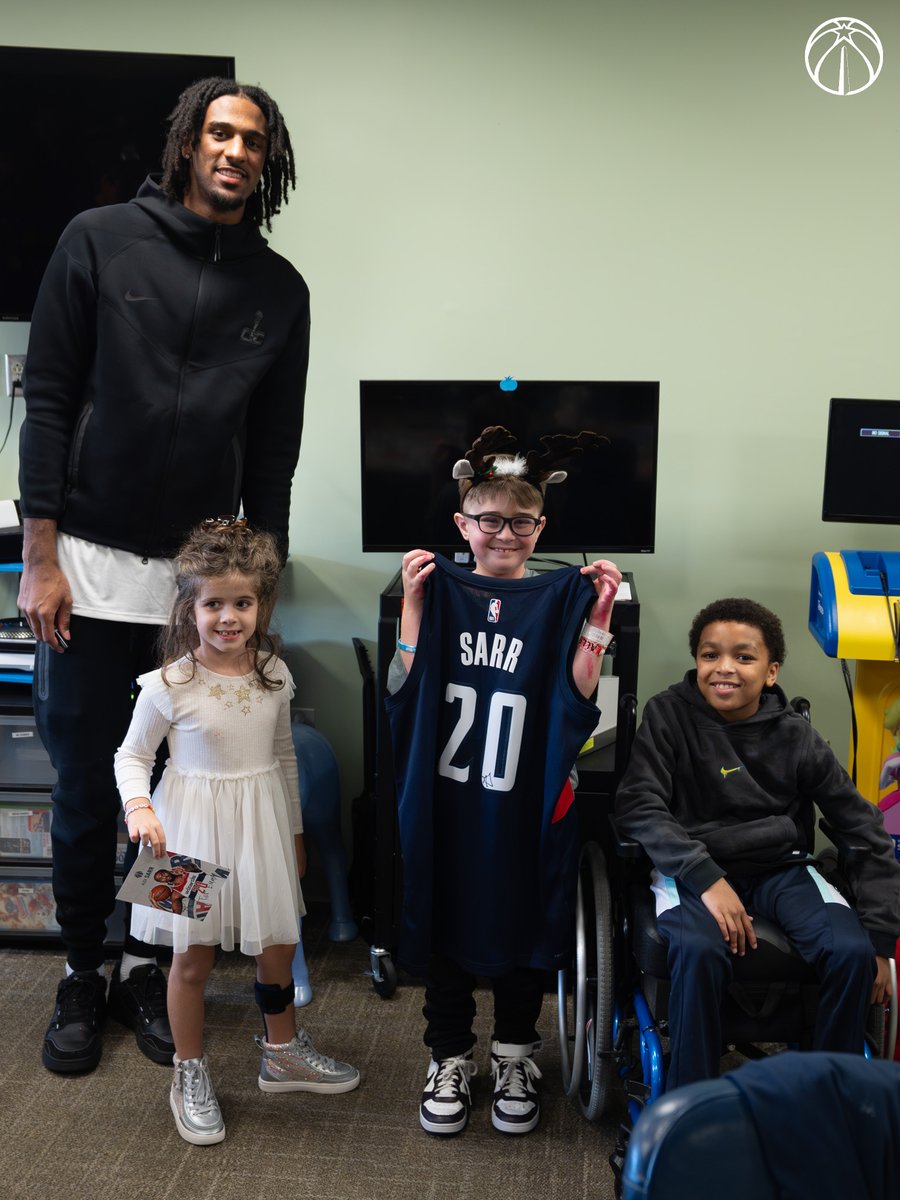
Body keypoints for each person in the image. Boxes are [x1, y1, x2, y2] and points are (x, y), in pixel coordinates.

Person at [17, 76, 311, 1074]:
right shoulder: (98, 241)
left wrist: (260, 590)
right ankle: (82, 969)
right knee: (88, 786)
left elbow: (273, 454)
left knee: (181, 796)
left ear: (266, 163)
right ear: (189, 143)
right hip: (90, 567)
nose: (235, 151)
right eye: (220, 133)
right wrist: (40, 558)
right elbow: (48, 400)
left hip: (196, 587)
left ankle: (150, 962)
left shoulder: (279, 289)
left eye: (252, 141)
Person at [386, 425, 622, 1136]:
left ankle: (517, 1052)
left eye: (521, 523)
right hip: (452, 797)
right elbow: (405, 686)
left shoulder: (559, 598)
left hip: (525, 797)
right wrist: (413, 605)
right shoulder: (434, 591)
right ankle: (449, 1054)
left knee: (527, 920)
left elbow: (578, 696)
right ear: (463, 525)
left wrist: (599, 617)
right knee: (447, 919)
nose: (505, 534)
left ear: (540, 528)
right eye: (489, 521)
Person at [114, 519, 359, 1146]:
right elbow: (132, 756)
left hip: (261, 826)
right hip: (182, 832)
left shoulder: (273, 674)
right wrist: (139, 807)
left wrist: (295, 833)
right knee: (190, 960)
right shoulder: (168, 684)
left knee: (278, 944)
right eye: (214, 604)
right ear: (190, 608)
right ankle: (188, 1071)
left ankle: (282, 1052)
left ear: (261, 605)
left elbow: (284, 758)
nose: (229, 617)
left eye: (242, 603)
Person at [614, 597, 900, 1090]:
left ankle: (825, 1097)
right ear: (697, 661)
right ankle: (693, 1105)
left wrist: (879, 940)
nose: (724, 667)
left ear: (771, 672)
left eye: (743, 657)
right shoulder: (668, 716)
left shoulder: (795, 735)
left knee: (850, 953)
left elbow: (863, 828)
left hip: (780, 867)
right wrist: (707, 879)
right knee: (699, 951)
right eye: (710, 654)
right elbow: (639, 805)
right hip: (691, 868)